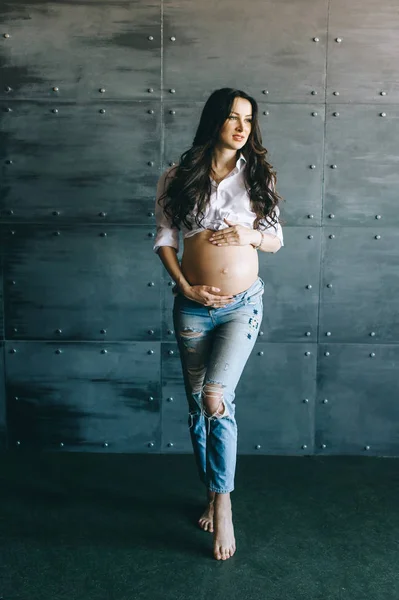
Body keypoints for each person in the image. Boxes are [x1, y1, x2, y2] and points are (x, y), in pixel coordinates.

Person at [153, 88, 284, 561]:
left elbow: (276, 240)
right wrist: (185, 287)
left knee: (215, 397)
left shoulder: (259, 176)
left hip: (242, 305)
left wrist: (250, 233)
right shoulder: (178, 176)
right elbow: (166, 238)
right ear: (215, 122)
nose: (241, 126)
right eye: (232, 117)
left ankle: (223, 504)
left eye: (248, 118)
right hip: (192, 307)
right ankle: (211, 489)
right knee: (196, 409)